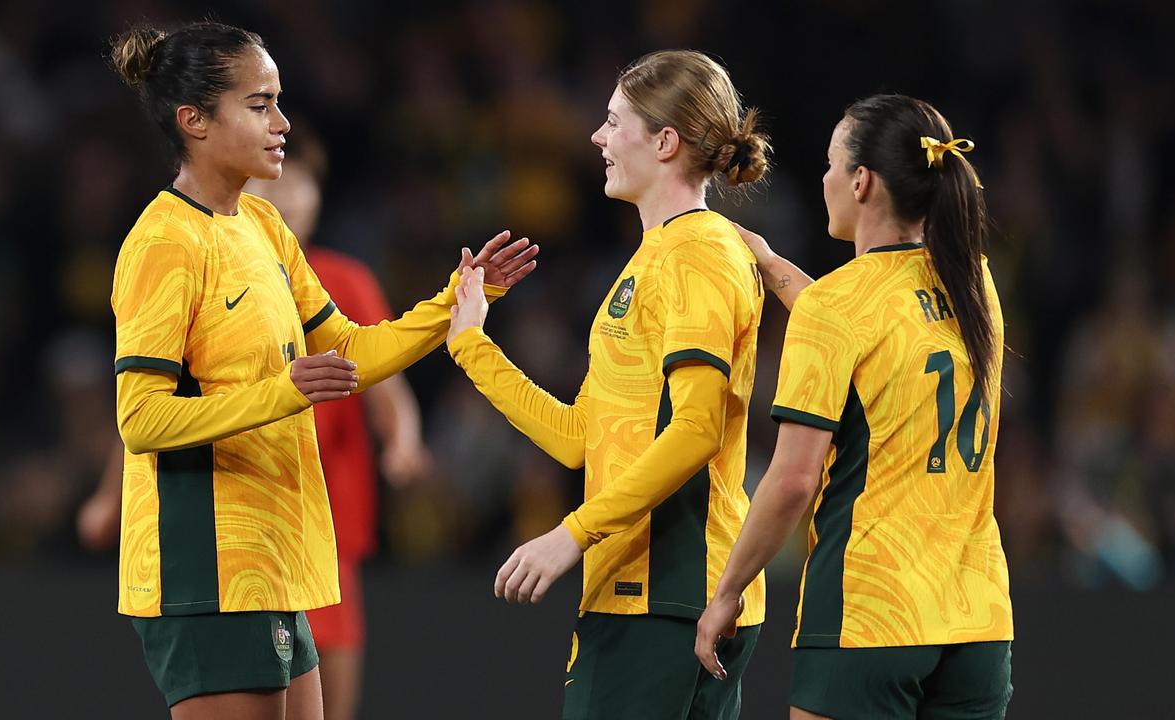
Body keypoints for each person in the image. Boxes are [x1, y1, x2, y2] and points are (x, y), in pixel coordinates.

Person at [108, 22, 536, 720]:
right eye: (259, 104)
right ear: (194, 121)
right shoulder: (164, 243)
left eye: (279, 101)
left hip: (275, 556)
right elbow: (142, 418)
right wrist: (281, 392)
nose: (282, 123)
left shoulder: (263, 227)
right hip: (207, 569)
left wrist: (454, 304)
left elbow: (349, 351)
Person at [447, 50, 769, 719]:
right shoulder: (655, 257)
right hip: (644, 592)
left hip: (670, 593)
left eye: (613, 120)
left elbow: (696, 428)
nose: (596, 136)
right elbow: (577, 439)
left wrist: (572, 533)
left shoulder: (699, 254)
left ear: (664, 141)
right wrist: (472, 347)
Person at [695, 94, 1014, 719]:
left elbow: (791, 481)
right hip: (978, 618)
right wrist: (771, 264)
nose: (824, 180)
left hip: (871, 616)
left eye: (829, 164)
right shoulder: (976, 284)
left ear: (861, 182)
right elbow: (877, 333)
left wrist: (727, 592)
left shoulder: (838, 307)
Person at [245, 151, 433, 720]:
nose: (290, 199)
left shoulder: (345, 280)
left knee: (328, 694)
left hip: (327, 520)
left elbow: (385, 384)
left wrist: (403, 440)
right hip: (248, 518)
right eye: (276, 185)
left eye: (301, 187)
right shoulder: (219, 273)